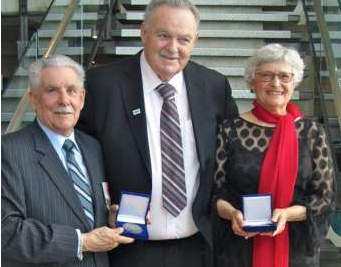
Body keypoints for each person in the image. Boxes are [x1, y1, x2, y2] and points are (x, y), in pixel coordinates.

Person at [77, 0, 238, 266]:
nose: (173, 48)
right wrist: (102, 207)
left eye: (183, 39)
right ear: (144, 33)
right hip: (126, 250)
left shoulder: (214, 86)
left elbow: (229, 159)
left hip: (198, 249)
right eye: (163, 35)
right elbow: (81, 159)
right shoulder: (101, 85)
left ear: (195, 41)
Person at [1, 55, 134, 267]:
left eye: (71, 90)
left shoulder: (92, 147)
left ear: (81, 98)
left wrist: (110, 220)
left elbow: (81, 214)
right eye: (52, 90)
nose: (64, 100)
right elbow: (5, 233)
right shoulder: (8, 151)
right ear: (33, 99)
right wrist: (81, 242)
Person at [213, 43, 336, 267]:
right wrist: (232, 213)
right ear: (252, 81)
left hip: (295, 250)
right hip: (240, 248)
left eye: (284, 76)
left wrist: (288, 214)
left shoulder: (312, 132)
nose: (276, 84)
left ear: (294, 82)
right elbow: (216, 191)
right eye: (266, 76)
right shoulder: (230, 130)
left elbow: (324, 198)